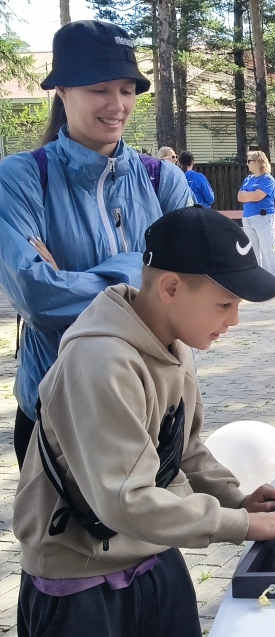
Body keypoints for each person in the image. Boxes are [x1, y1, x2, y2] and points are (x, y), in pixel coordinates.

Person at [14, 206, 275, 637]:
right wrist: (237, 526)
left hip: (154, 555)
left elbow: (183, 446)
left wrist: (234, 499)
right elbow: (126, 500)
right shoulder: (101, 362)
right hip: (80, 581)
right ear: (170, 287)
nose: (235, 320)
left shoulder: (173, 342)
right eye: (225, 303)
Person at [0, 20, 194, 469]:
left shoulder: (163, 179)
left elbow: (194, 291)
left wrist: (75, 278)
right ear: (62, 91)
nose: (117, 104)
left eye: (127, 89)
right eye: (100, 89)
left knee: (157, 538)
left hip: (152, 408)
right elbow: (39, 298)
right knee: (65, 543)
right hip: (57, 411)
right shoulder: (22, 178)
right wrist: (148, 274)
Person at [238, 150, 275, 281]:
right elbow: (239, 197)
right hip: (248, 217)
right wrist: (250, 195)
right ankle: (257, 280)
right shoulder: (248, 179)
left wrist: (249, 195)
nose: (247, 164)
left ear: (258, 162)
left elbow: (258, 196)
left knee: (267, 249)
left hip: (263, 218)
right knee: (252, 251)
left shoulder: (267, 179)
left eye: (249, 161)